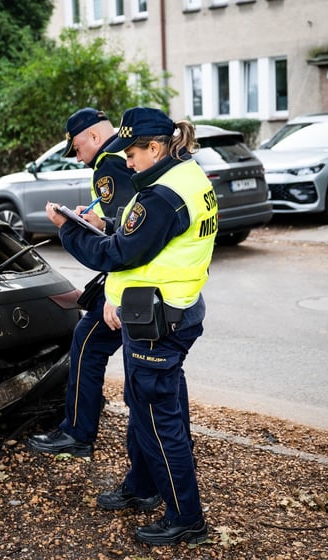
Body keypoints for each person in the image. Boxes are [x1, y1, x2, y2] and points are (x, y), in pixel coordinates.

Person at [44, 106, 216, 546]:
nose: (127, 161)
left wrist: (69, 231)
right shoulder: (187, 176)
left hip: (158, 321)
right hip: (171, 309)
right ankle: (141, 487)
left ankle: (187, 519)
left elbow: (118, 254)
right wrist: (104, 232)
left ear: (154, 148)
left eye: (133, 153)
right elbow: (147, 245)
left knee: (159, 422)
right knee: (146, 408)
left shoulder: (161, 196)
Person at [27, 107, 138, 459]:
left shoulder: (109, 164)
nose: (77, 157)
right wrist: (99, 222)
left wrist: (69, 228)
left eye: (77, 148)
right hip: (149, 284)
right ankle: (170, 441)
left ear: (94, 135)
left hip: (130, 283)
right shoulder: (128, 153)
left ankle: (77, 434)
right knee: (155, 374)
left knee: (87, 343)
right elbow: (127, 221)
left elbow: (125, 245)